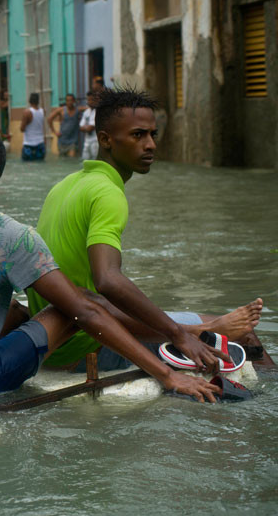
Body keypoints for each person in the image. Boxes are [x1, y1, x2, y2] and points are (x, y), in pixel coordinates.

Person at [0, 126, 221, 401]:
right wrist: (167, 375)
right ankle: (191, 331)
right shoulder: (14, 236)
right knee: (77, 302)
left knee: (15, 309)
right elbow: (84, 312)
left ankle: (187, 330)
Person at [27, 87, 262, 372]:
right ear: (105, 140)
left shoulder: (64, 185)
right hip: (89, 347)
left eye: (153, 134)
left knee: (211, 327)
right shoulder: (107, 193)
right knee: (245, 334)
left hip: (53, 343)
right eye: (138, 135)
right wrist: (179, 334)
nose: (150, 144)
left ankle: (201, 328)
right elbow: (107, 281)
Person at [47, 93, 82, 157]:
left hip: (73, 141)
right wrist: (54, 131)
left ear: (74, 101)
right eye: (67, 100)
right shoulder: (61, 110)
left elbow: (88, 108)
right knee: (63, 161)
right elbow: (49, 119)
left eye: (71, 100)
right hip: (62, 140)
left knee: (71, 160)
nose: (69, 102)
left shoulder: (77, 110)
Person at [20, 93, 45, 161]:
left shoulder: (27, 112)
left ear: (29, 101)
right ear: (38, 101)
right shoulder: (42, 111)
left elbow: (22, 129)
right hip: (40, 144)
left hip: (29, 145)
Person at [79, 90, 98, 160]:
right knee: (85, 160)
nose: (89, 101)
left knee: (95, 160)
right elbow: (80, 127)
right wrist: (87, 128)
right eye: (88, 99)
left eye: (91, 100)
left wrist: (86, 127)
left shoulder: (98, 112)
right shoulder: (86, 112)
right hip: (87, 141)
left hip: (96, 141)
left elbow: (91, 128)